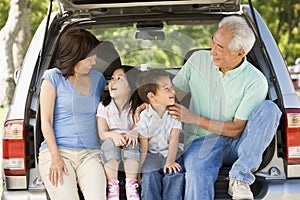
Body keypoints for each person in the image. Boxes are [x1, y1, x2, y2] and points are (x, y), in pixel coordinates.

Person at [168, 16, 282, 200]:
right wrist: (143, 104)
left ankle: (240, 178)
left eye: (220, 48)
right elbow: (173, 97)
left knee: (270, 109)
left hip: (239, 145)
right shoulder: (198, 60)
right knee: (196, 171)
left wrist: (194, 118)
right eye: (213, 42)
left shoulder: (256, 81)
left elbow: (237, 129)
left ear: (240, 53)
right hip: (201, 142)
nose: (212, 51)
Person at [38, 28, 107, 200]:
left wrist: (139, 108)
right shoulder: (52, 77)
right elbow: (45, 121)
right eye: (90, 57)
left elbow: (114, 107)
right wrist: (55, 157)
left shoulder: (99, 78)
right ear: (76, 55)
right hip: (58, 152)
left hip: (90, 153)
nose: (94, 61)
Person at [135, 69, 185, 200]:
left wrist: (170, 161)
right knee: (150, 175)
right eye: (166, 89)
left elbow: (174, 139)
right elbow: (144, 148)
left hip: (172, 153)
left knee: (174, 174)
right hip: (152, 155)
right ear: (152, 96)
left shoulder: (175, 112)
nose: (172, 91)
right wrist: (139, 171)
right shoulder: (145, 116)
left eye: (171, 87)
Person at [97, 65, 141, 200]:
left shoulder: (136, 107)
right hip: (110, 143)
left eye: (119, 78)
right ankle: (112, 187)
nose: (112, 82)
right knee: (109, 143)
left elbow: (143, 127)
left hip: (129, 142)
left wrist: (135, 132)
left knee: (132, 143)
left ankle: (131, 186)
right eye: (112, 79)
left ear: (130, 86)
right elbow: (102, 133)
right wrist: (113, 135)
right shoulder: (104, 106)